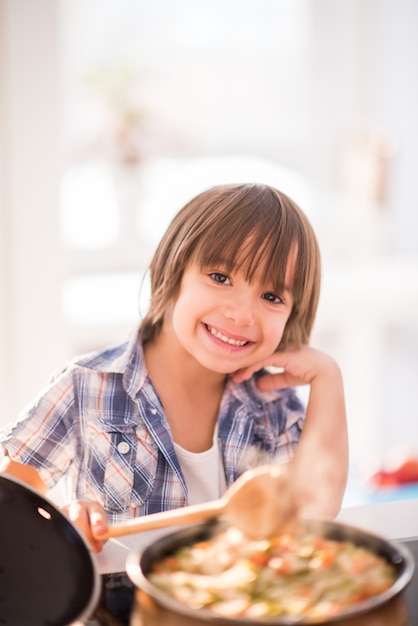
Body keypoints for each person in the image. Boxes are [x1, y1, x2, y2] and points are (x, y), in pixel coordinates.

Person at [0, 182, 348, 623]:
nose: (242, 314)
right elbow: (10, 509)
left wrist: (327, 377)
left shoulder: (270, 403)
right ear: (173, 271)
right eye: (221, 278)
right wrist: (64, 523)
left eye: (272, 297)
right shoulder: (88, 388)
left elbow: (318, 505)